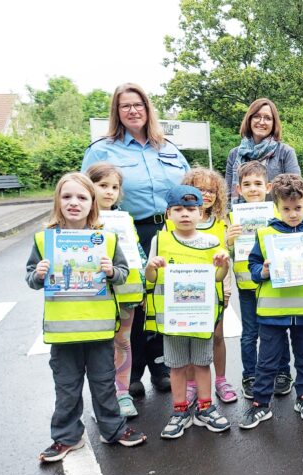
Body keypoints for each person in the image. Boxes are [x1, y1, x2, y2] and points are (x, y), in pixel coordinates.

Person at [26, 172, 146, 462]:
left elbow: (123, 273)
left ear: (92, 203)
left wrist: (110, 271)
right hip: (63, 332)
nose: (74, 203)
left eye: (81, 197)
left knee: (104, 383)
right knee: (66, 387)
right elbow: (30, 278)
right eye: (66, 197)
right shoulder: (44, 240)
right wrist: (39, 274)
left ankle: (113, 429)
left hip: (99, 330)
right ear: (57, 201)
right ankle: (66, 437)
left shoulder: (105, 239)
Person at [82, 83, 191, 396]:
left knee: (163, 298)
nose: (132, 111)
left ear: (148, 109)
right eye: (125, 106)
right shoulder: (103, 149)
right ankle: (131, 374)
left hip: (169, 231)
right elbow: (86, 193)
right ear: (117, 112)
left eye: (138, 105)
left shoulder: (168, 148)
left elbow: (188, 188)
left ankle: (161, 367)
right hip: (127, 231)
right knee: (132, 302)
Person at [239, 174, 303, 429]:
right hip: (272, 313)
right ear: (277, 207)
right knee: (267, 360)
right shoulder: (265, 234)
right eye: (286, 209)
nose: (292, 214)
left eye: (298, 208)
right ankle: (260, 404)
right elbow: (253, 266)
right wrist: (263, 272)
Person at [144, 185, 232, 439]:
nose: (185, 214)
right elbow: (150, 279)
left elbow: (217, 277)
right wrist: (151, 266)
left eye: (191, 209)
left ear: (200, 212)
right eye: (178, 209)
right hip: (172, 320)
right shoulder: (159, 240)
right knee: (177, 366)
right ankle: (180, 409)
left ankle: (205, 407)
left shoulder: (211, 242)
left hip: (201, 317)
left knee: (203, 363)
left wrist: (223, 265)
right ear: (168, 213)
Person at [164, 168, 239, 406]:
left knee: (216, 335)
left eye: (211, 190)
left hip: (215, 288)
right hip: (185, 293)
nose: (206, 195)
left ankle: (222, 380)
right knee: (188, 336)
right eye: (200, 189)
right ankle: (192, 384)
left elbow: (228, 258)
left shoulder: (223, 222)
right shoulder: (172, 222)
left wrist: (226, 291)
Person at [224, 161, 294, 399]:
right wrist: (229, 242)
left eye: (257, 184)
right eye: (247, 184)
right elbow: (227, 255)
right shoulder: (231, 218)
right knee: (249, 333)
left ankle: (283, 372)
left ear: (268, 187)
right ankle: (250, 375)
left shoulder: (278, 214)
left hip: (274, 284)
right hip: (247, 287)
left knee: (278, 329)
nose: (253, 189)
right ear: (238, 189)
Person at [87, 162, 146, 418]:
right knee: (100, 345)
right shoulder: (79, 221)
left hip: (125, 291)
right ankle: (103, 397)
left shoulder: (125, 219)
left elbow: (138, 253)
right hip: (93, 294)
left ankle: (122, 393)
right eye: (103, 186)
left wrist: (143, 286)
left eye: (115, 187)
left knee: (123, 342)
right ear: (90, 187)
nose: (109, 192)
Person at [225, 98, 301, 203]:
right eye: (256, 116)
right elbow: (227, 194)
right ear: (249, 120)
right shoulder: (234, 154)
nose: (261, 122)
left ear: (274, 123)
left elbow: (296, 190)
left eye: (267, 118)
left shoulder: (286, 152)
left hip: (277, 216)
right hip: (241, 217)